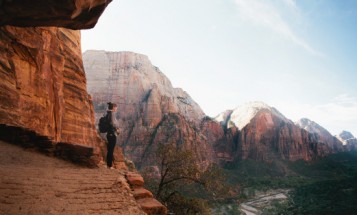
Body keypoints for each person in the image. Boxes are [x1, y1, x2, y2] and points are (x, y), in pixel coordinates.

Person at [106, 102, 119, 169]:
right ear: (113, 107)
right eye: (116, 107)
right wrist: (117, 130)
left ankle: (108, 164)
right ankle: (110, 165)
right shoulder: (111, 114)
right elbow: (112, 124)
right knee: (111, 150)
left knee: (109, 150)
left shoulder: (108, 113)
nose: (117, 109)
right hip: (112, 134)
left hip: (109, 134)